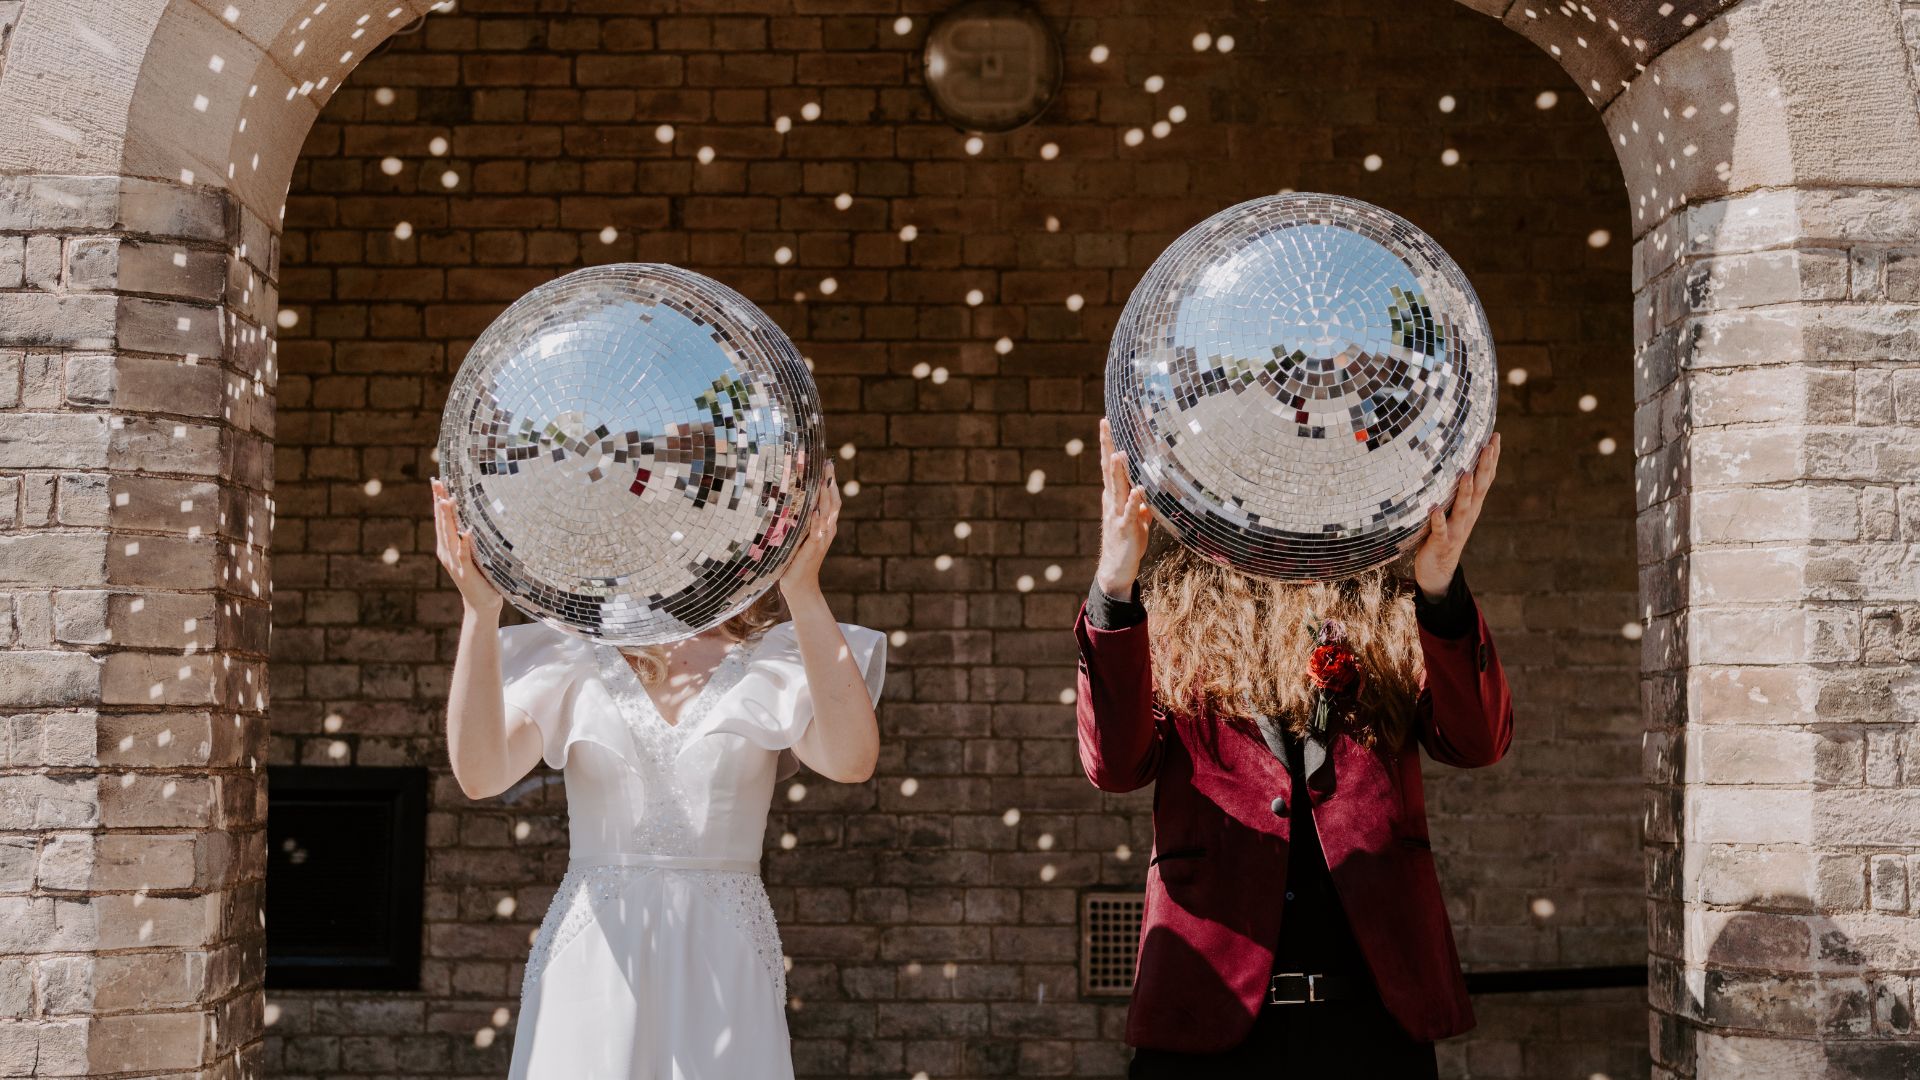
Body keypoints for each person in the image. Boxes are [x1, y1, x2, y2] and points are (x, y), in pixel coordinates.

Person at [1077, 420, 1512, 1077]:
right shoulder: (1168, 621)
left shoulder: (1390, 610)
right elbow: (1114, 765)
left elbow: (1477, 742)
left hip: (1372, 1027)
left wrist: (1441, 590)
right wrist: (1113, 588)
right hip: (1207, 1024)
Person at [430, 467, 884, 1080]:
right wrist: (479, 613)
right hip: (594, 958)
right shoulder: (570, 652)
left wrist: (804, 589)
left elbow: (852, 761)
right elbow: (480, 774)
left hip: (726, 957)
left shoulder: (775, 657)